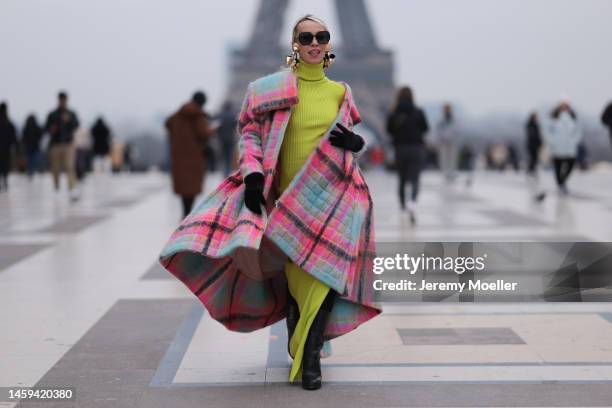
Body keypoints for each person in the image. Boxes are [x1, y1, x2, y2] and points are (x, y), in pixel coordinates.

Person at [158, 14, 381, 391]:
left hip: (331, 198)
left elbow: (352, 138)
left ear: (329, 45)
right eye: (306, 36)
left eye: (321, 36)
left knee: (324, 281)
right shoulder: (269, 90)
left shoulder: (342, 92)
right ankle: (299, 328)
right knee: (298, 281)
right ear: (295, 44)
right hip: (286, 200)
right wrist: (253, 176)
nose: (314, 42)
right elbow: (250, 135)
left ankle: (310, 361)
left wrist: (355, 145)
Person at [165, 91, 214, 218]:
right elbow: (203, 134)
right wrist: (212, 129)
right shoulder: (198, 116)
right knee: (191, 187)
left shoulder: (179, 114)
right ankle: (187, 213)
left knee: (183, 187)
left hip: (179, 155)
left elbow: (167, 124)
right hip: (194, 156)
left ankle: (185, 212)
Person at [386, 86, 429, 224]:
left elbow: (389, 130)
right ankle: (413, 203)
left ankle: (403, 205)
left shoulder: (394, 113)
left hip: (400, 148)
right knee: (415, 178)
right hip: (416, 148)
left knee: (402, 179)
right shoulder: (418, 112)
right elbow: (425, 128)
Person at [45, 91, 79, 200]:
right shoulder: (52, 114)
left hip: (68, 144)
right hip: (55, 144)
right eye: (61, 100)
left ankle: (72, 188)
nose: (63, 102)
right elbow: (45, 128)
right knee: (55, 168)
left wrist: (69, 121)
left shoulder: (71, 114)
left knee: (70, 166)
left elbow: (76, 125)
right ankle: (56, 186)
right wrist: (51, 129)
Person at [544, 100, 582, 195]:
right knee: (558, 166)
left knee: (570, 165)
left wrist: (575, 140)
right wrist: (553, 141)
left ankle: (563, 181)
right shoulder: (553, 117)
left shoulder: (573, 117)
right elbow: (548, 131)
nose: (564, 107)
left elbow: (578, 130)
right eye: (562, 105)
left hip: (570, 147)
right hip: (557, 147)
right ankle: (560, 184)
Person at [215, 101, 238, 177]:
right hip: (230, 139)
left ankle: (223, 171)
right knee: (229, 156)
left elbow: (216, 126)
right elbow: (236, 127)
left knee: (222, 156)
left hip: (221, 139)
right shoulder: (233, 115)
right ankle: (227, 172)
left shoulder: (220, 115)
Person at [437, 103, 458, 182]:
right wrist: (442, 138)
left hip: (452, 141)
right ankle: (446, 173)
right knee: (444, 158)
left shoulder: (454, 119)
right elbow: (438, 131)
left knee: (452, 158)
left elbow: (457, 129)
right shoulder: (441, 119)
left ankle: (451, 173)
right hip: (443, 142)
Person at [0, 102, 18, 191]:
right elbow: (13, 135)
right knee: (5, 163)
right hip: (6, 147)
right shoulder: (8, 121)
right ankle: (5, 180)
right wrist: (15, 146)